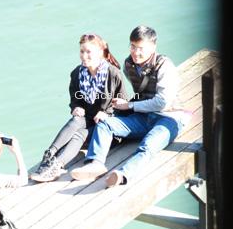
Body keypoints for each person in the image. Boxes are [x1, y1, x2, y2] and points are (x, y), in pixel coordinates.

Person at [70, 25, 192, 186]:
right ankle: (96, 163)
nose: (135, 52)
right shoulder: (129, 65)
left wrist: (130, 106)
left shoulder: (165, 66)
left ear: (153, 47)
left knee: (147, 146)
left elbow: (163, 102)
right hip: (143, 116)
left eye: (140, 48)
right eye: (132, 46)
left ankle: (121, 175)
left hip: (169, 118)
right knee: (105, 124)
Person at [30, 33, 128, 182]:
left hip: (106, 128)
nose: (84, 56)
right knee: (76, 120)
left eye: (89, 52)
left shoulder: (113, 74)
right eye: (82, 51)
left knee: (79, 134)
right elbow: (75, 99)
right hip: (87, 119)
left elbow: (123, 105)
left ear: (100, 53)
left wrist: (107, 115)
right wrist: (76, 107)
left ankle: (56, 167)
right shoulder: (77, 73)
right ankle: (49, 155)